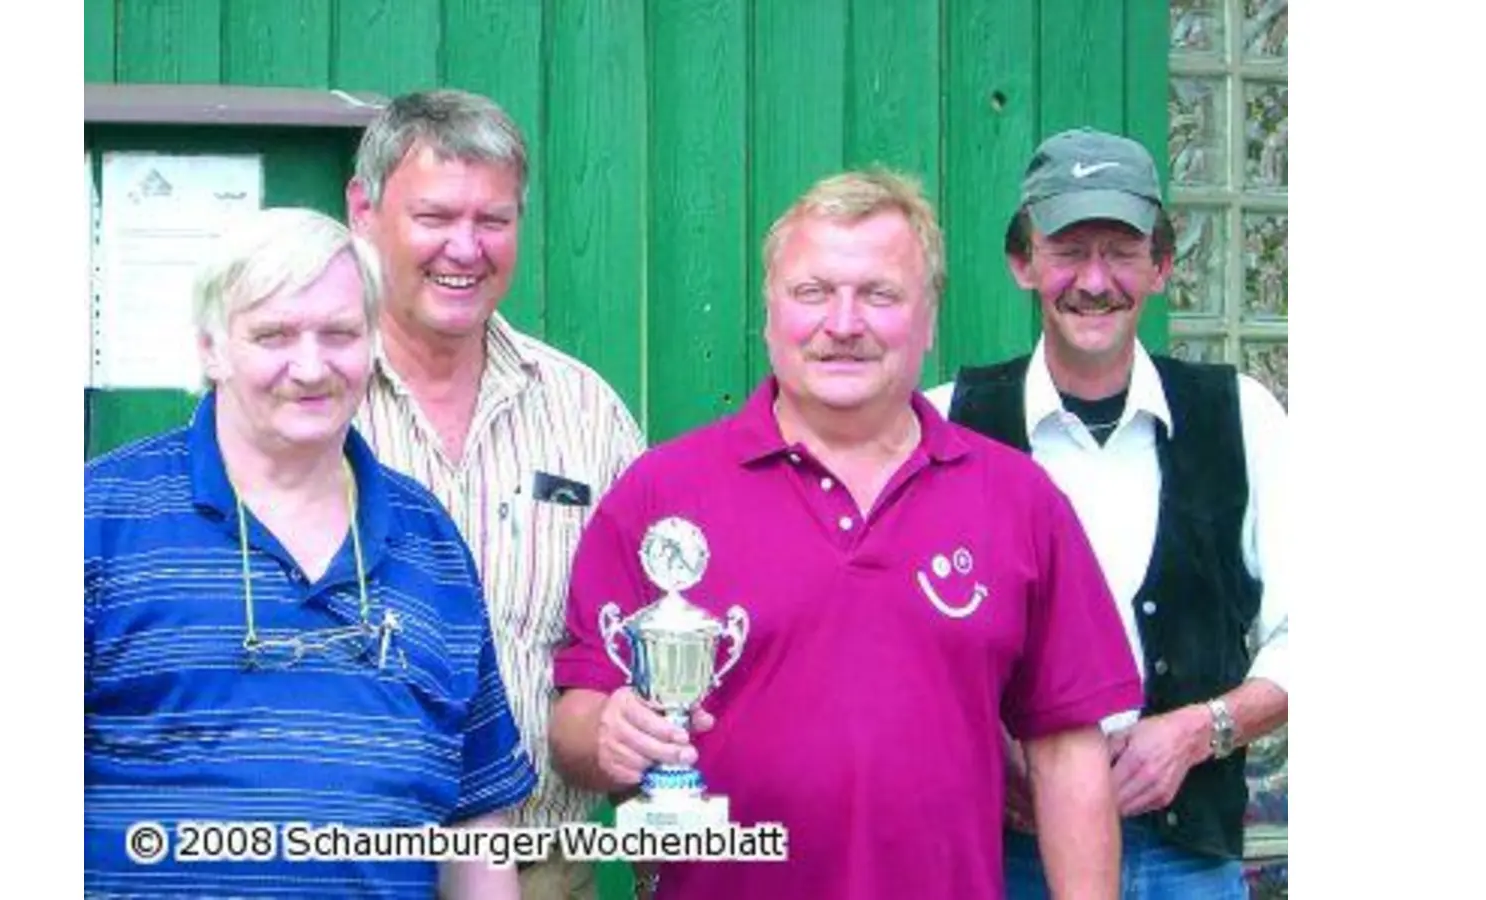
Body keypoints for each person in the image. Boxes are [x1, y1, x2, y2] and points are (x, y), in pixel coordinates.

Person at [547, 169, 1144, 900]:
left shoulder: (1018, 500)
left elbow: (1067, 751)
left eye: (880, 295)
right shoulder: (659, 493)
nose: (843, 323)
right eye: (813, 292)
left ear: (928, 322)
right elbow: (575, 722)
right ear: (770, 314)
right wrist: (607, 730)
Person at [84, 208, 535, 898]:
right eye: (273, 335)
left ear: (373, 342)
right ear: (212, 349)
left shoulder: (429, 542)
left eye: (340, 334)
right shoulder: (99, 519)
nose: (310, 366)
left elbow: (477, 819)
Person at [924, 127, 1289, 898]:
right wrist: (987, 744)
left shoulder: (1241, 416)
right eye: (1068, 250)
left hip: (1186, 859)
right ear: (1022, 262)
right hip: (997, 856)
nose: (1095, 280)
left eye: (1121, 251)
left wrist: (1202, 730)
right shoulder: (941, 423)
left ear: (1161, 264)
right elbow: (888, 642)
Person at [346, 89, 646, 900]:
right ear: (364, 211)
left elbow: (637, 657)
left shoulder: (587, 413)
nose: (465, 248)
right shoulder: (304, 402)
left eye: (494, 220)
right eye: (435, 216)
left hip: (542, 869)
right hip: (346, 868)